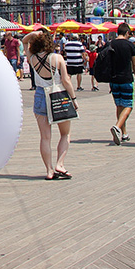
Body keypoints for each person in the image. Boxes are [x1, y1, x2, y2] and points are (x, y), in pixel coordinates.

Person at [25, 28, 77, 180]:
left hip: (40, 95)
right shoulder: (57, 58)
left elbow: (24, 41)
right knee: (65, 133)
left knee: (45, 137)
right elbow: (66, 81)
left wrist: (33, 35)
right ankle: (60, 164)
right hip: (58, 95)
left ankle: (49, 170)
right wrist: (73, 99)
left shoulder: (32, 58)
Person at [109, 22, 135, 145]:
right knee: (128, 105)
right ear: (127, 33)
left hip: (113, 79)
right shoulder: (129, 45)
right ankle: (117, 127)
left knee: (119, 106)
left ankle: (124, 134)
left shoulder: (111, 44)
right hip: (126, 78)